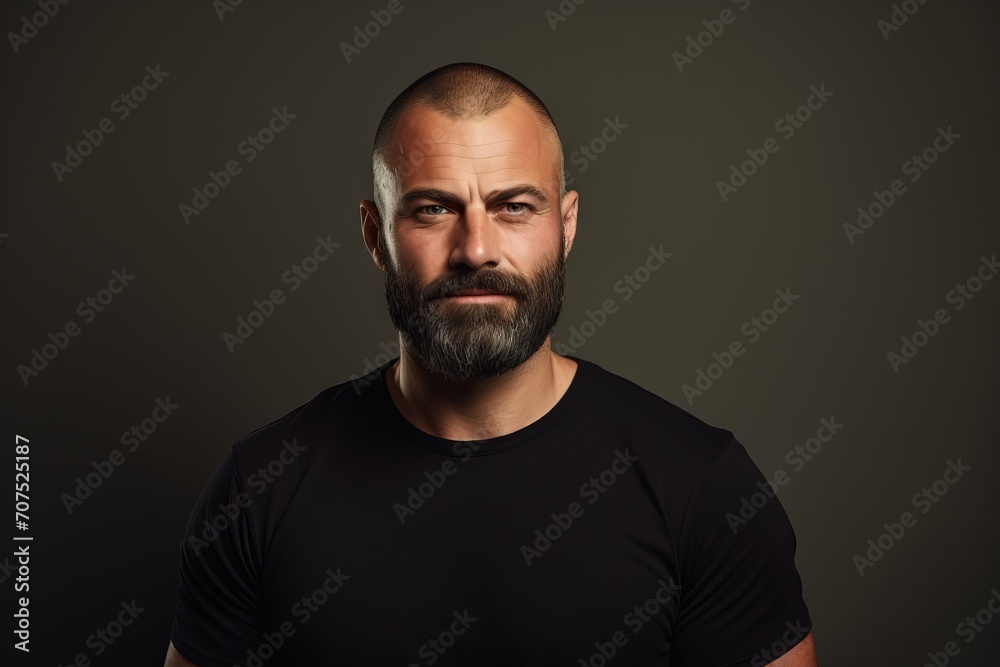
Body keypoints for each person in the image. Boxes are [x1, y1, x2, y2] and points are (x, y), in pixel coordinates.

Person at [164, 62, 817, 666]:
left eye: (514, 206)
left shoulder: (701, 486)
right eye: (433, 209)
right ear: (374, 236)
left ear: (565, 226)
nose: (476, 248)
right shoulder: (259, 488)